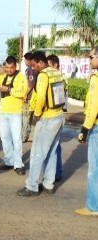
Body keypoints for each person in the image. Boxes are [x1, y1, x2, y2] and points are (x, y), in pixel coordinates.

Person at [17, 51, 65, 196]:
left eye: (34, 65)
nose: (33, 68)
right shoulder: (57, 73)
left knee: (37, 153)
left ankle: (32, 186)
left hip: (47, 117)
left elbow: (42, 96)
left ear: (40, 62)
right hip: (59, 116)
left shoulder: (44, 75)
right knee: (51, 153)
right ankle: (49, 185)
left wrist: (37, 114)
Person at [0, 56, 28, 175]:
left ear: (15, 66)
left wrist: (8, 90)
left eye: (11, 68)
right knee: (5, 138)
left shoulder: (21, 77)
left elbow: (22, 92)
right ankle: (9, 161)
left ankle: (18, 164)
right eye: (7, 67)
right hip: (3, 112)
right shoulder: (3, 76)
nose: (9, 70)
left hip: (15, 112)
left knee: (16, 139)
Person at [75, 46, 98, 216]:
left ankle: (93, 207)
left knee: (94, 170)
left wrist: (85, 128)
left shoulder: (96, 78)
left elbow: (94, 105)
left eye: (91, 57)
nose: (89, 60)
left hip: (96, 126)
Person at [46, 54, 65, 182]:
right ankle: (55, 173)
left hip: (54, 115)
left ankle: (55, 173)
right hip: (56, 115)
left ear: (55, 65)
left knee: (53, 146)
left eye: (49, 65)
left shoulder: (59, 79)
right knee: (54, 146)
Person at [22, 52, 37, 143]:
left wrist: (25, 94)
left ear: (28, 60)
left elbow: (31, 84)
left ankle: (23, 136)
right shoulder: (33, 69)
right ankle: (32, 136)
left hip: (29, 97)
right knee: (33, 118)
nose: (24, 62)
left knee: (26, 117)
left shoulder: (31, 70)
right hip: (35, 97)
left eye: (24, 60)